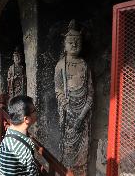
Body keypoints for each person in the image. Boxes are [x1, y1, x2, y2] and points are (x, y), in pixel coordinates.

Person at [54, 19, 93, 175]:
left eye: (78, 41)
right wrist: (68, 110)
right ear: (65, 44)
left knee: (83, 150)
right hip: (68, 113)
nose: (74, 45)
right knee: (68, 149)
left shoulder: (85, 65)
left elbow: (90, 92)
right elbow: (58, 90)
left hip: (83, 113)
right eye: (71, 41)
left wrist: (82, 115)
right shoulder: (60, 65)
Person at [0, 95, 38, 176]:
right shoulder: (13, 149)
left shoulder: (12, 132)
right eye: (34, 110)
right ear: (26, 119)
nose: (36, 112)